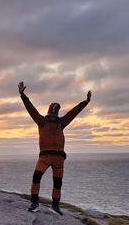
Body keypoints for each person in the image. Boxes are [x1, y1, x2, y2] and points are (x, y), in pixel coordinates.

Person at [18, 81, 91, 215]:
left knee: (57, 183)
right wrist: (23, 95)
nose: (54, 111)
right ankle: (34, 203)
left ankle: (55, 205)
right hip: (45, 156)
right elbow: (31, 109)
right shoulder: (42, 121)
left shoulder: (61, 122)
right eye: (53, 109)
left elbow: (73, 113)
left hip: (58, 158)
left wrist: (85, 102)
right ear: (49, 110)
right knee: (37, 177)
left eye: (55, 110)